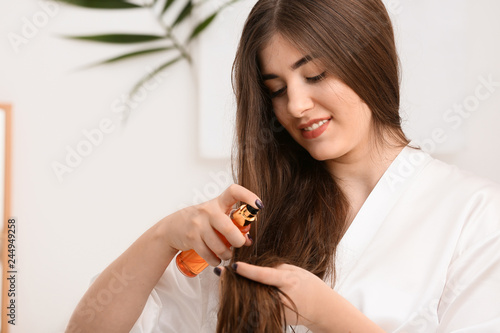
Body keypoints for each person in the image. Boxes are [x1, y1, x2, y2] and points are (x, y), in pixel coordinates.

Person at [66, 0, 500, 332]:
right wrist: (162, 237)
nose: (295, 105)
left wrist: (328, 315)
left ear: (370, 60)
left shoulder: (473, 214)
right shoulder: (249, 219)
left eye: (314, 76)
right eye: (276, 89)